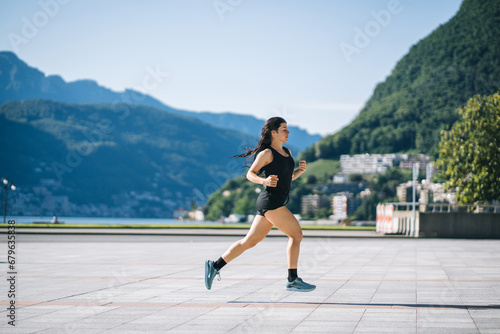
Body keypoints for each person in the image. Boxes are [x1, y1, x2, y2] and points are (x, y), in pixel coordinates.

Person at [204, 117, 316, 292]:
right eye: (284, 129)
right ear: (274, 132)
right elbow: (250, 174)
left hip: (273, 203)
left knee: (249, 242)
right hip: (271, 202)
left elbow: (287, 179)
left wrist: (299, 172)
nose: (288, 132)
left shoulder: (287, 152)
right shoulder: (267, 154)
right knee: (296, 235)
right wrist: (264, 181)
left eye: (287, 129)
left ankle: (215, 265)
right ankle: (292, 279)